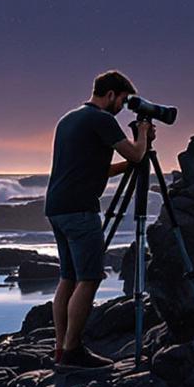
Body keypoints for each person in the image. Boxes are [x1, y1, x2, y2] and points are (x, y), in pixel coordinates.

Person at [44, 69, 153, 370]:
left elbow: (93, 169)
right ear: (110, 95)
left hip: (57, 207)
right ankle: (73, 351)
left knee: (68, 277)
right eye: (122, 101)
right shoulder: (101, 120)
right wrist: (142, 133)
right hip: (80, 210)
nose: (123, 108)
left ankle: (60, 347)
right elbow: (137, 154)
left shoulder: (69, 119)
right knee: (89, 278)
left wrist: (127, 164)